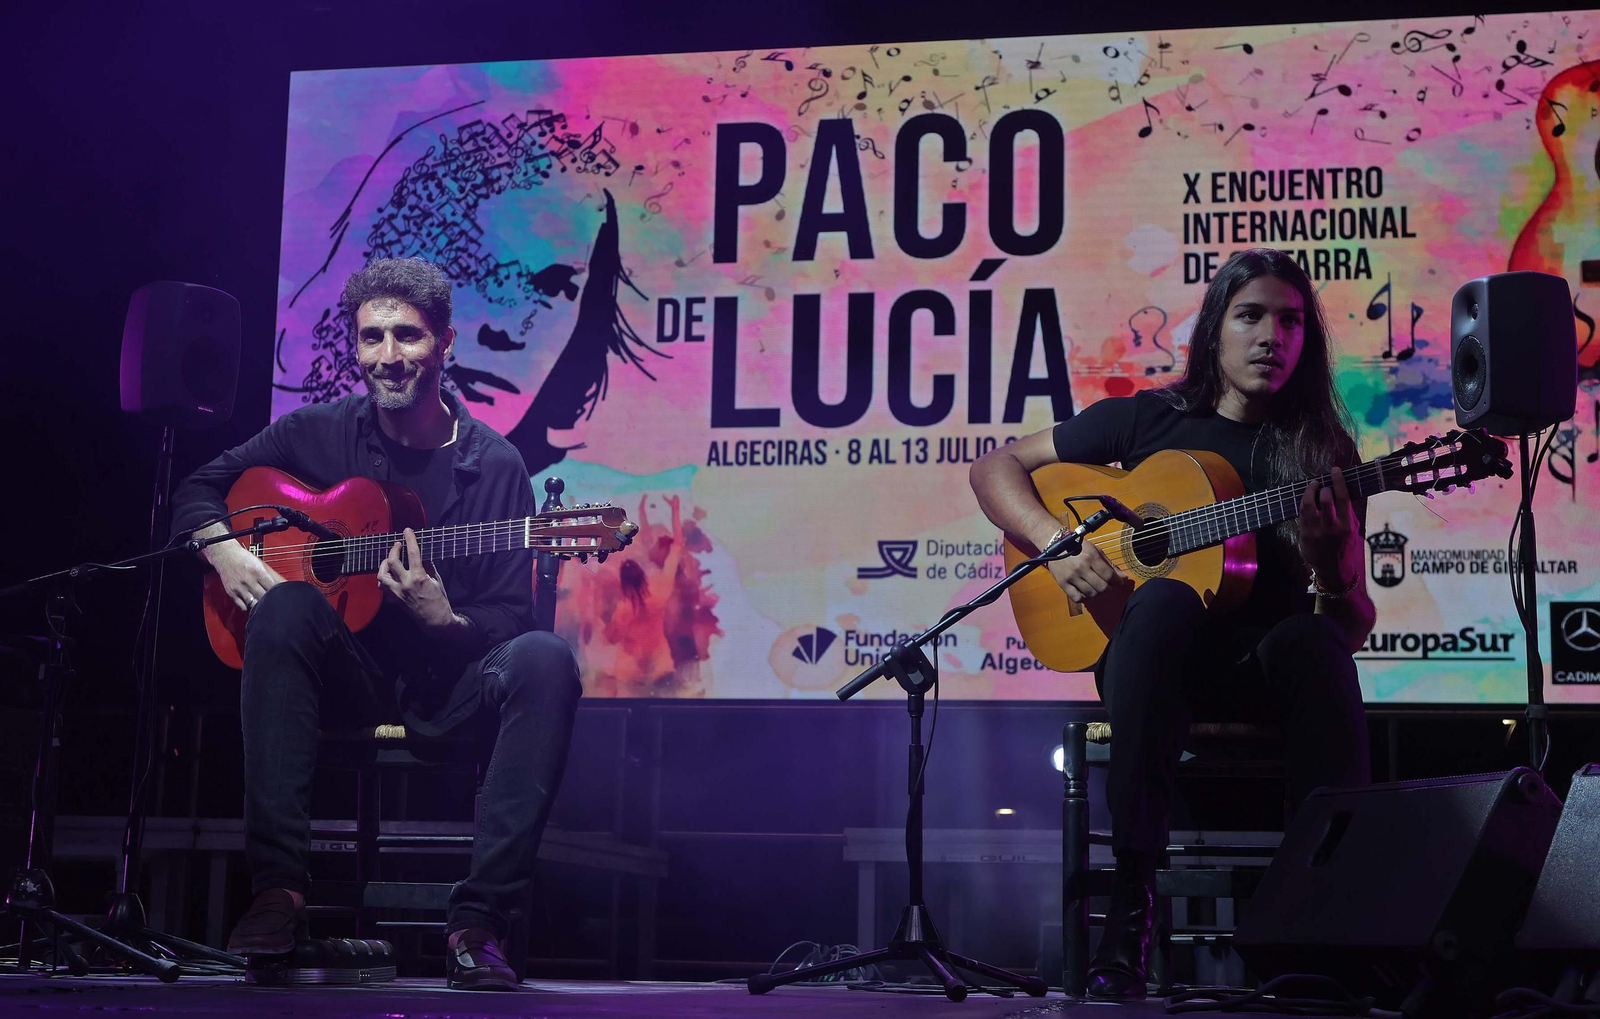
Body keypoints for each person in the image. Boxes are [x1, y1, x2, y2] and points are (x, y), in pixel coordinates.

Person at [969, 248, 1374, 999]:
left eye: (1289, 321)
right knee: (1163, 600)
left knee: (1313, 640)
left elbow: (1347, 626)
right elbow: (995, 467)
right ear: (1214, 330)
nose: (1271, 336)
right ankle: (1131, 909)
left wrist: (1331, 567)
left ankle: (1321, 919)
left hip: (1260, 677)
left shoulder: (1322, 457)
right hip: (1152, 666)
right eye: (1250, 315)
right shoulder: (1149, 420)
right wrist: (1058, 544)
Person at [171, 257, 581, 991]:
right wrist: (226, 552)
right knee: (287, 603)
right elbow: (198, 488)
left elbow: (509, 622)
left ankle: (478, 925)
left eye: (407, 336)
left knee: (547, 658)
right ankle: (277, 894)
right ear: (355, 346)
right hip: (342, 682)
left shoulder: (495, 466)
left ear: (444, 344)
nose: (388, 357)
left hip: (445, 687)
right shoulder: (318, 434)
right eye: (372, 338)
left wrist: (444, 617)